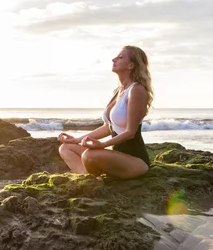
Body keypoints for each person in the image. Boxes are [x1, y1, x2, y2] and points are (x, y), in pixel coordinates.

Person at [58, 46, 153, 179]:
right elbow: (107, 128)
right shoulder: (118, 91)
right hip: (116, 156)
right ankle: (91, 179)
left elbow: (130, 133)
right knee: (66, 148)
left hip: (135, 161)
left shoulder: (136, 90)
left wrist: (102, 145)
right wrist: (76, 140)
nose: (113, 59)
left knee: (89, 155)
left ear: (131, 65)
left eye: (120, 57)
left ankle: (93, 178)